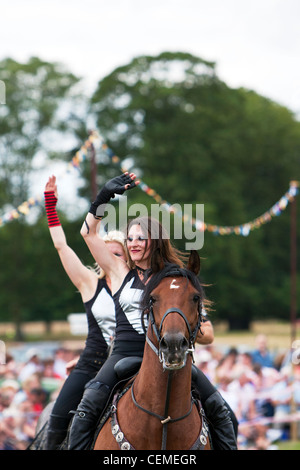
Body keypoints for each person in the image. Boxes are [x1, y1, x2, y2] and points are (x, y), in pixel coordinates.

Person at [67, 172, 237, 450]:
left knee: (223, 413)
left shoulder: (175, 281)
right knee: (87, 406)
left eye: (140, 238)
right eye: (130, 239)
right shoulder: (120, 271)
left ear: (155, 241)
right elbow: (88, 233)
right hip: (123, 354)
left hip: (172, 355)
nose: (132, 243)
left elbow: (202, 328)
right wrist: (103, 198)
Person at [40, 175, 127, 450]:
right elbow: (61, 246)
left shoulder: (138, 287)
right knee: (56, 421)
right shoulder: (90, 283)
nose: (112, 258)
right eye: (108, 252)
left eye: (119, 254)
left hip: (129, 365)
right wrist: (51, 206)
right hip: (91, 365)